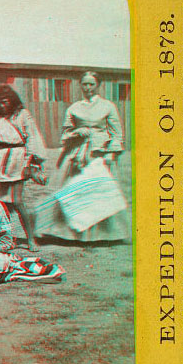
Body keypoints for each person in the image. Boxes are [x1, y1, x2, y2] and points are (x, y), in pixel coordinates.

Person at [35, 71, 129, 242]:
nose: (88, 88)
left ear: (98, 85)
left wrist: (111, 154)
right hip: (77, 154)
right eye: (84, 84)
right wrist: (77, 132)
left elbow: (117, 134)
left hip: (99, 154)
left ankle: (104, 235)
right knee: (74, 191)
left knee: (99, 193)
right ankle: (70, 234)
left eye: (91, 84)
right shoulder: (74, 108)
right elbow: (65, 133)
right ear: (80, 86)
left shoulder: (108, 106)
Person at [0, 85, 47, 251]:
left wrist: (30, 162)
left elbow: (32, 137)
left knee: (18, 202)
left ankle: (31, 239)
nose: (2, 106)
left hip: (17, 159)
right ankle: (6, 237)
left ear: (12, 100)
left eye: (5, 102)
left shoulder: (22, 115)